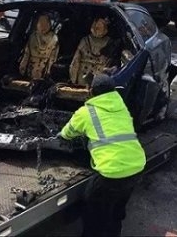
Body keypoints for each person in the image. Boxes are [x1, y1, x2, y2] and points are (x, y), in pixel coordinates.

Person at [58, 73, 146, 237]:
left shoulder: (86, 112)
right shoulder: (121, 107)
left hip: (112, 172)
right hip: (137, 165)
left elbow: (66, 134)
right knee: (117, 208)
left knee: (93, 211)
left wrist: (63, 135)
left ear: (91, 91)